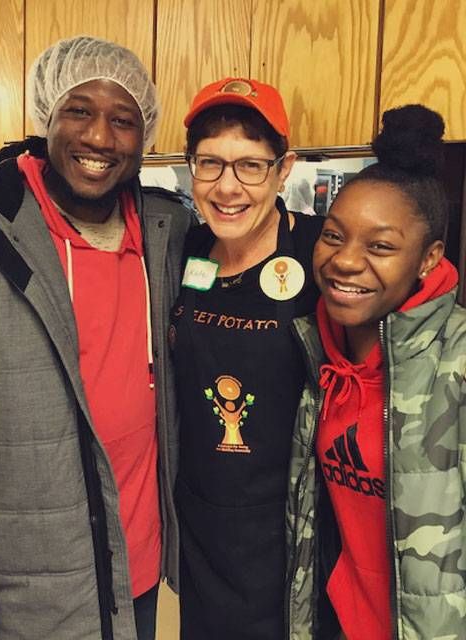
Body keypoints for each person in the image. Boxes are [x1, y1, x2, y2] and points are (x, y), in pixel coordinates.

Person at [0, 36, 194, 640]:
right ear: (46, 114)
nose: (100, 138)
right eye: (79, 111)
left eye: (123, 120)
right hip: (34, 590)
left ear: (144, 135)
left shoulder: (164, 231)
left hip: (141, 571)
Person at [287, 105, 466, 639]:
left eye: (381, 246)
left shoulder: (456, 361)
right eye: (334, 235)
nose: (345, 261)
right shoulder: (318, 351)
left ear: (429, 258)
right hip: (340, 621)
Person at [168, 77, 323, 639]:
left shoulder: (322, 252)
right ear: (191, 168)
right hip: (202, 528)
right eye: (210, 163)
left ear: (284, 170)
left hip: (293, 533)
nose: (227, 186)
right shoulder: (183, 250)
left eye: (250, 165)